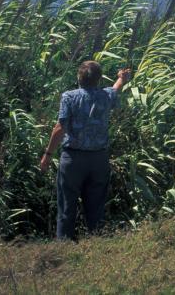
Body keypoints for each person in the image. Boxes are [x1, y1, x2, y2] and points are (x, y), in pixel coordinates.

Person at [40, 61, 131, 240]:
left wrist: (48, 154)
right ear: (98, 79)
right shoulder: (106, 96)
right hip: (99, 159)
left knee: (67, 204)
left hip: (73, 159)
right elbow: (115, 89)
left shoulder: (69, 97)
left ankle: (64, 246)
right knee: (96, 206)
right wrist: (122, 79)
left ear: (79, 78)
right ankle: (95, 245)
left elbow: (60, 127)